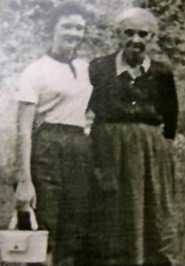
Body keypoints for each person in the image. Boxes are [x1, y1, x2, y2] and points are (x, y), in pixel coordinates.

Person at [88, 7, 178, 266]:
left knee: (155, 212)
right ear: (118, 35)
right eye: (129, 33)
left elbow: (171, 117)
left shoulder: (162, 72)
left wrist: (159, 150)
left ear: (152, 38)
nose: (136, 40)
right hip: (110, 150)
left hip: (151, 152)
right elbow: (87, 106)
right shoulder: (99, 68)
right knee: (113, 212)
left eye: (143, 34)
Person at [15, 2, 94, 266]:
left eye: (79, 28)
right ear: (53, 29)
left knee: (76, 225)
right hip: (47, 146)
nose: (73, 33)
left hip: (80, 148)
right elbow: (24, 129)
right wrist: (24, 181)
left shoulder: (86, 68)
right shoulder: (35, 70)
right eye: (67, 26)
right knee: (46, 224)